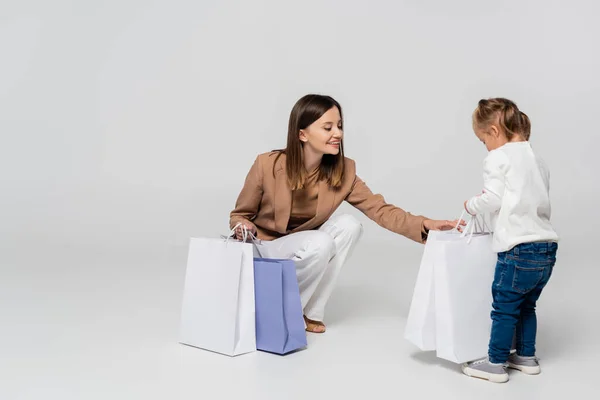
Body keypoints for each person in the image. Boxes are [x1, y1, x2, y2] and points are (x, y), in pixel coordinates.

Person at [230, 94, 462, 333]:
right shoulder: (267, 164)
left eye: (339, 126)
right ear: (302, 134)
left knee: (350, 225)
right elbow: (239, 214)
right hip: (268, 246)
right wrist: (242, 226)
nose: (338, 133)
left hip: (309, 248)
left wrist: (425, 224)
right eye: (327, 127)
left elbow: (380, 209)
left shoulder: (343, 171)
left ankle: (308, 312)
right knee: (320, 241)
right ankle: (282, 310)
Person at [461, 98, 559, 383]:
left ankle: (495, 362)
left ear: (493, 131)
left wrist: (470, 205)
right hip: (547, 247)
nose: (485, 147)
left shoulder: (498, 157)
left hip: (518, 248)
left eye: (483, 140)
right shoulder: (537, 160)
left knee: (504, 308)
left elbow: (492, 199)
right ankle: (526, 357)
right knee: (527, 306)